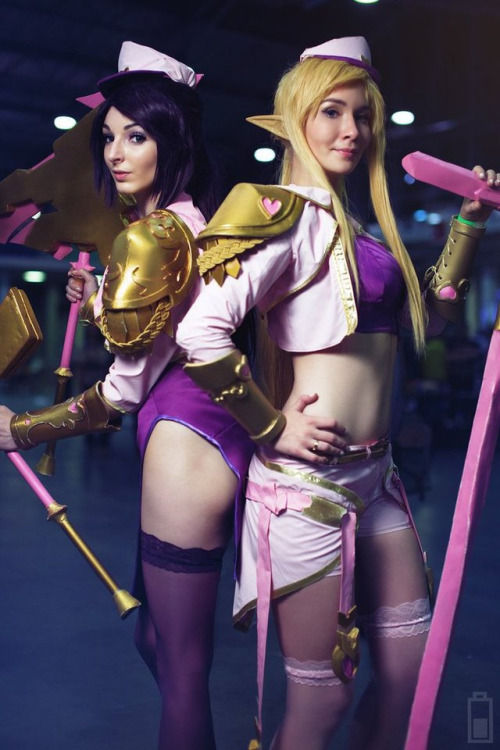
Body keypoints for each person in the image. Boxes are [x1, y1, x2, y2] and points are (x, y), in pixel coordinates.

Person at [0, 41, 329, 750]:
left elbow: (120, 394)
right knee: (154, 640)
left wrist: (20, 429)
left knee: (181, 669)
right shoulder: (182, 225)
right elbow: (171, 334)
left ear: (172, 140)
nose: (116, 154)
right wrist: (101, 304)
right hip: (198, 433)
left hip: (186, 443)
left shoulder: (154, 238)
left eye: (137, 136)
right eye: (110, 136)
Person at [175, 36, 500, 750]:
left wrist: (470, 221)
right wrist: (270, 425)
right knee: (322, 701)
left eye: (362, 115)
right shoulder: (278, 214)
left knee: (410, 675)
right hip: (305, 489)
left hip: (377, 478)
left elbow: (437, 313)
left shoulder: (359, 229)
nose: (352, 129)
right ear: (296, 118)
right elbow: (200, 331)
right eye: (331, 112)